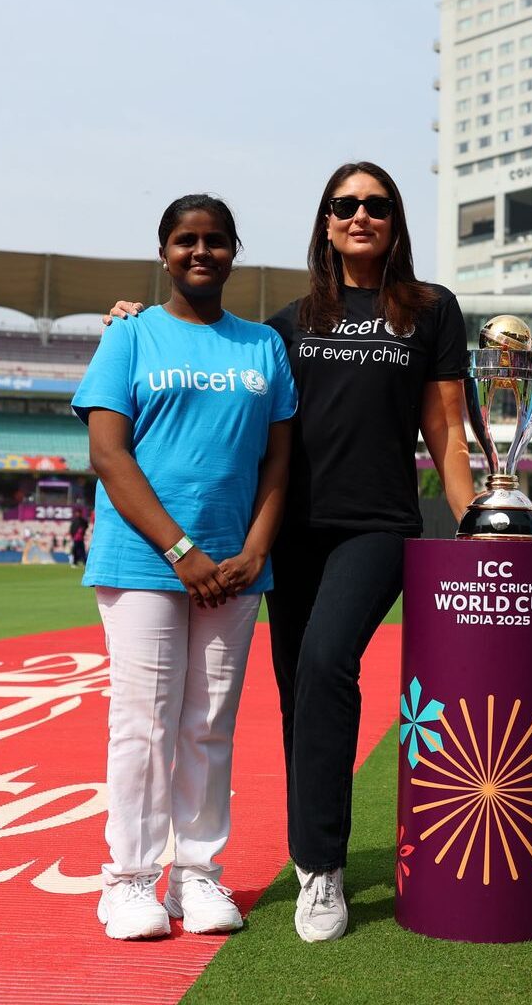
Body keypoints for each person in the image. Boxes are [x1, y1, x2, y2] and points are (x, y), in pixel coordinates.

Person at [106, 162, 474, 942]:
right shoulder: (285, 324)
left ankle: (324, 868)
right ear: (326, 221)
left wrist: (474, 516)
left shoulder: (431, 310)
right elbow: (221, 378)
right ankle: (311, 866)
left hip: (379, 525)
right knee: (294, 695)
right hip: (293, 531)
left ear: (394, 218)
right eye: (345, 205)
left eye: (376, 205)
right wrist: (137, 325)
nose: (360, 216)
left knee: (325, 663)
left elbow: (444, 425)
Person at [74, 194, 296, 941]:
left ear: (235, 250)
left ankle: (197, 876)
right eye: (185, 241)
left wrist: (257, 549)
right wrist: (183, 553)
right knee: (143, 725)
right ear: (164, 251)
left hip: (234, 568)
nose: (200, 252)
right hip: (143, 561)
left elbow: (278, 463)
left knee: (209, 726)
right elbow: (108, 454)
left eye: (215, 241)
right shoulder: (130, 337)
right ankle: (130, 882)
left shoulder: (262, 347)